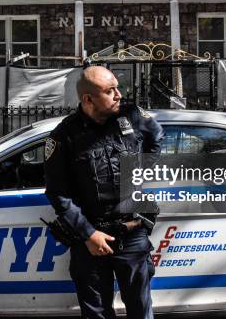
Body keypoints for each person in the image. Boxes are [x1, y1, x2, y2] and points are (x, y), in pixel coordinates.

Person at [44, 66, 163, 319]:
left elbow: (156, 136)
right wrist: (89, 234)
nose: (118, 94)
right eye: (110, 91)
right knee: (97, 313)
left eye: (117, 88)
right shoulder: (64, 136)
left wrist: (140, 171)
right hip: (90, 240)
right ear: (88, 99)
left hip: (132, 233)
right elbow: (58, 193)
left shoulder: (131, 116)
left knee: (141, 311)